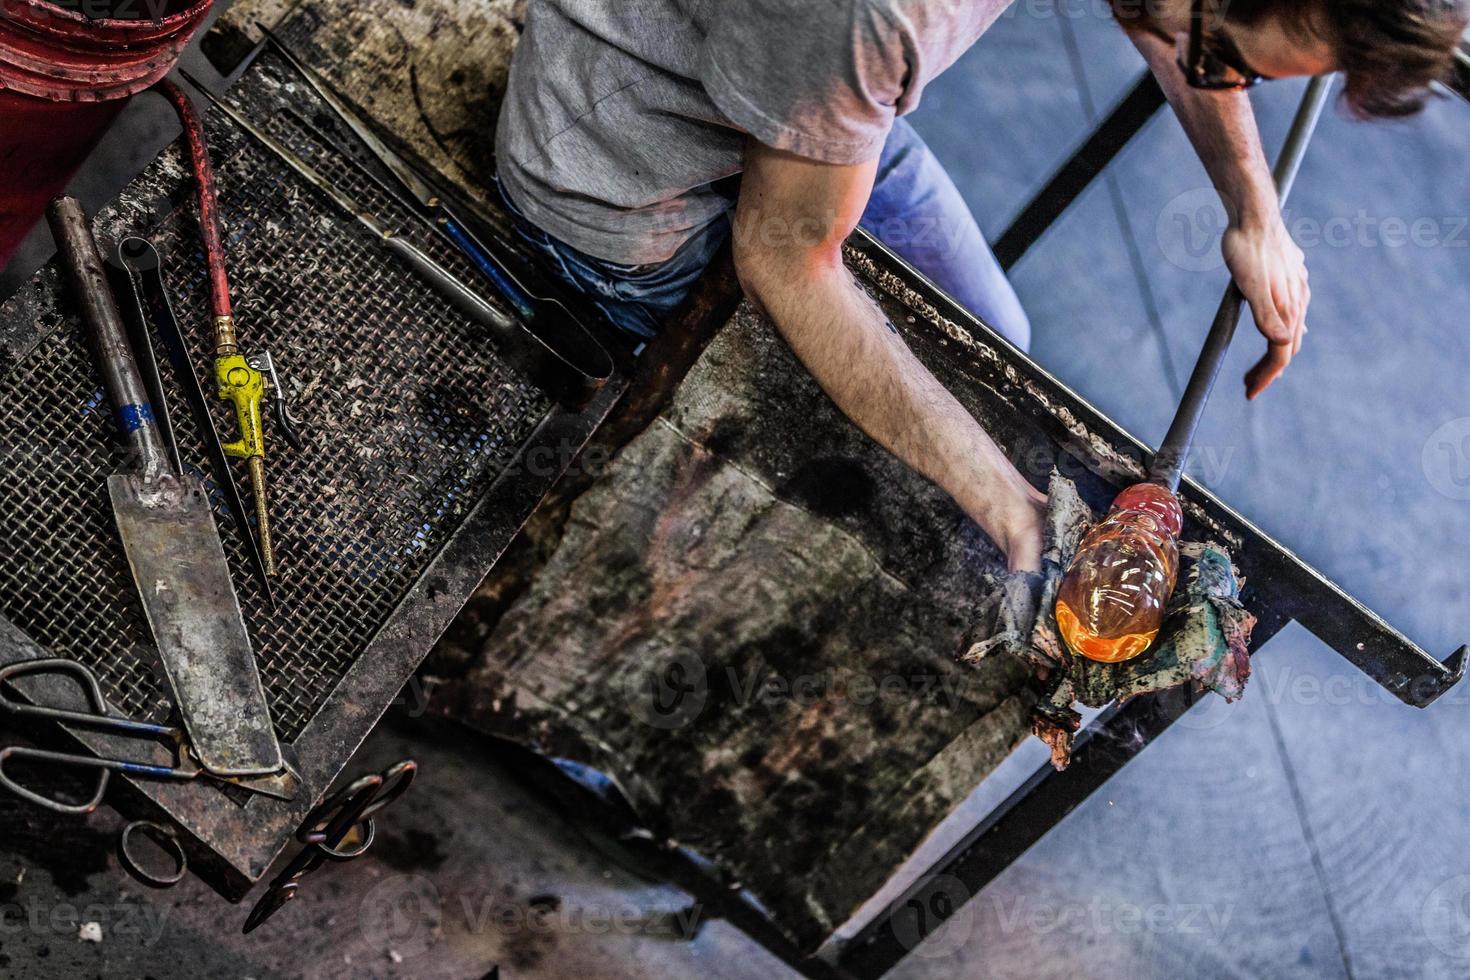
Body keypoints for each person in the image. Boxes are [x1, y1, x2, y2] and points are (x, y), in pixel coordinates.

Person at [495, 0, 1467, 572]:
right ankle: (594, 625)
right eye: (1223, 61)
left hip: (808, 104)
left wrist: (1254, 210)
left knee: (993, 341)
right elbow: (786, 261)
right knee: (783, 459)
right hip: (629, 159)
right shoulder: (883, 15)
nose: (1212, 76)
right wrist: (1008, 504)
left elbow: (1165, 12)